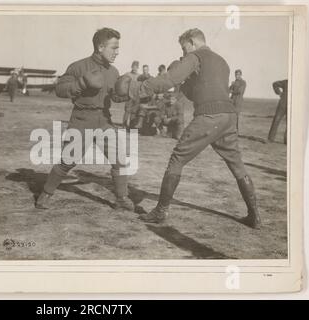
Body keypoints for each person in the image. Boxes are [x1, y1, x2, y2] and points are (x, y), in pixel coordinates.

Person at [115, 28, 261, 229]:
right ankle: (255, 216)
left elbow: (167, 80)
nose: (184, 54)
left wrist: (136, 89)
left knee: (177, 158)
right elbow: (200, 93)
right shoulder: (222, 61)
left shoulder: (195, 57)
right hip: (228, 117)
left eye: (184, 48)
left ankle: (160, 211)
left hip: (209, 115)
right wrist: (185, 84)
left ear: (192, 42)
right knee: (237, 164)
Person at [35, 28, 134, 211]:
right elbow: (60, 90)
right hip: (82, 119)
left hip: (104, 119)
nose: (117, 52)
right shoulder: (78, 66)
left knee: (119, 159)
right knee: (68, 161)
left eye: (118, 48)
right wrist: (81, 83)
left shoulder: (113, 71)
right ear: (100, 46)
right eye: (113, 47)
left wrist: (126, 94)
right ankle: (46, 194)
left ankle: (122, 198)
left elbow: (114, 97)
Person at [268, 79, 288, 144]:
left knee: (290, 123)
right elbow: (275, 84)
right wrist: (279, 93)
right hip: (282, 104)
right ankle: (270, 139)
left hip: (293, 105)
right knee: (276, 120)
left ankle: (287, 141)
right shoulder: (286, 82)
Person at [122, 61, 140, 128]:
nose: (134, 68)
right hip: (128, 96)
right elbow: (121, 83)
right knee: (127, 111)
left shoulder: (139, 76)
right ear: (131, 67)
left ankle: (131, 126)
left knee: (134, 112)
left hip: (136, 97)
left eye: (136, 67)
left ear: (138, 68)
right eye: (133, 66)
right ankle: (124, 125)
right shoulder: (127, 74)